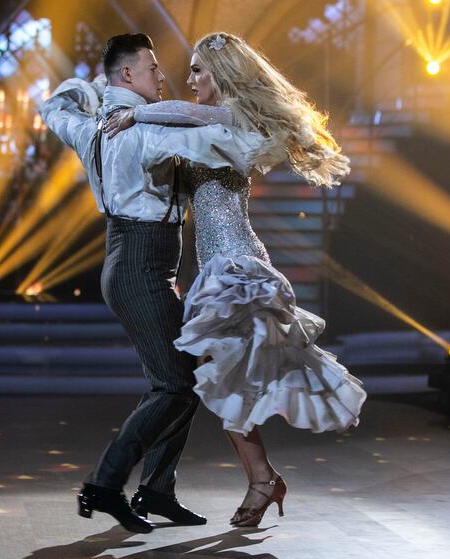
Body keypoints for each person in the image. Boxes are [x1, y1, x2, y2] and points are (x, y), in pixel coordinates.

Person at [103, 32, 367, 528]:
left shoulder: (231, 121)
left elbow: (189, 115)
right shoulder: (215, 127)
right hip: (218, 268)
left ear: (223, 76)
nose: (189, 78)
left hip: (235, 266)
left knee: (218, 378)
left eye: (200, 70)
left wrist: (136, 113)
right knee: (217, 380)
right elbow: (184, 125)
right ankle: (258, 478)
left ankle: (260, 478)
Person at [39, 33, 266, 533]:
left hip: (129, 264)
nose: (163, 78)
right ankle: (105, 482)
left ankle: (158, 490)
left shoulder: (91, 126)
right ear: (128, 77)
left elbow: (53, 105)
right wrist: (255, 122)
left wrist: (90, 91)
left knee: (182, 377)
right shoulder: (146, 132)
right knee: (176, 384)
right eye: (153, 69)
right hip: (142, 268)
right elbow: (229, 139)